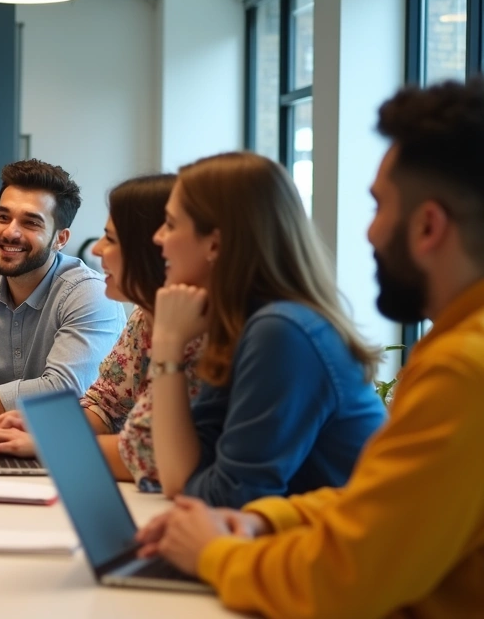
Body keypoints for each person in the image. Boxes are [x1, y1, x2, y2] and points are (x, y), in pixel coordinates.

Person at [138, 79, 484, 619]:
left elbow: (345, 579)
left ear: (429, 226)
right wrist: (265, 523)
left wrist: (216, 554)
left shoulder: (463, 370)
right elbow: (374, 502)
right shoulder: (458, 346)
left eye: (378, 207)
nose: (369, 233)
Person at [139, 151, 387, 509]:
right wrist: (169, 344)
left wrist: (166, 342)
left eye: (171, 224)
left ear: (215, 244)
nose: (158, 238)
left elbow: (231, 497)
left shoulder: (283, 331)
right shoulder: (244, 325)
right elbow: (180, 479)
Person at [0, 174, 205, 492]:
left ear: (154, 248)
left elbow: (150, 454)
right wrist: (49, 428)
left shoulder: (203, 332)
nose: (96, 250)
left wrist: (51, 446)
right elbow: (105, 405)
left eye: (110, 239)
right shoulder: (144, 317)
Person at [0, 159, 126, 416]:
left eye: (31, 223)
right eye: (3, 217)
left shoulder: (89, 293)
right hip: (1, 437)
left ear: (60, 239)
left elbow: (61, 392)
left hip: (85, 446)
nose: (10, 232)